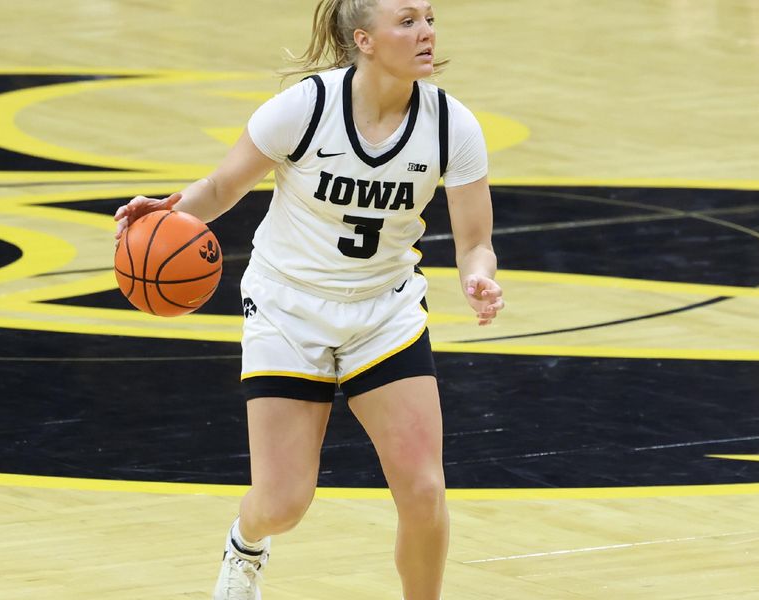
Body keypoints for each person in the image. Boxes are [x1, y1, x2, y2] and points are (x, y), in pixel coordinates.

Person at [114, 0, 503, 598]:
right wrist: (168, 212)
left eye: (429, 18)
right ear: (364, 40)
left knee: (424, 491)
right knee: (282, 504)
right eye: (407, 21)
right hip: (288, 305)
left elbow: (476, 239)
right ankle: (246, 545)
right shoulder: (306, 107)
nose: (426, 32)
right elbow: (223, 186)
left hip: (384, 308)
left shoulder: (454, 126)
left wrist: (479, 274)